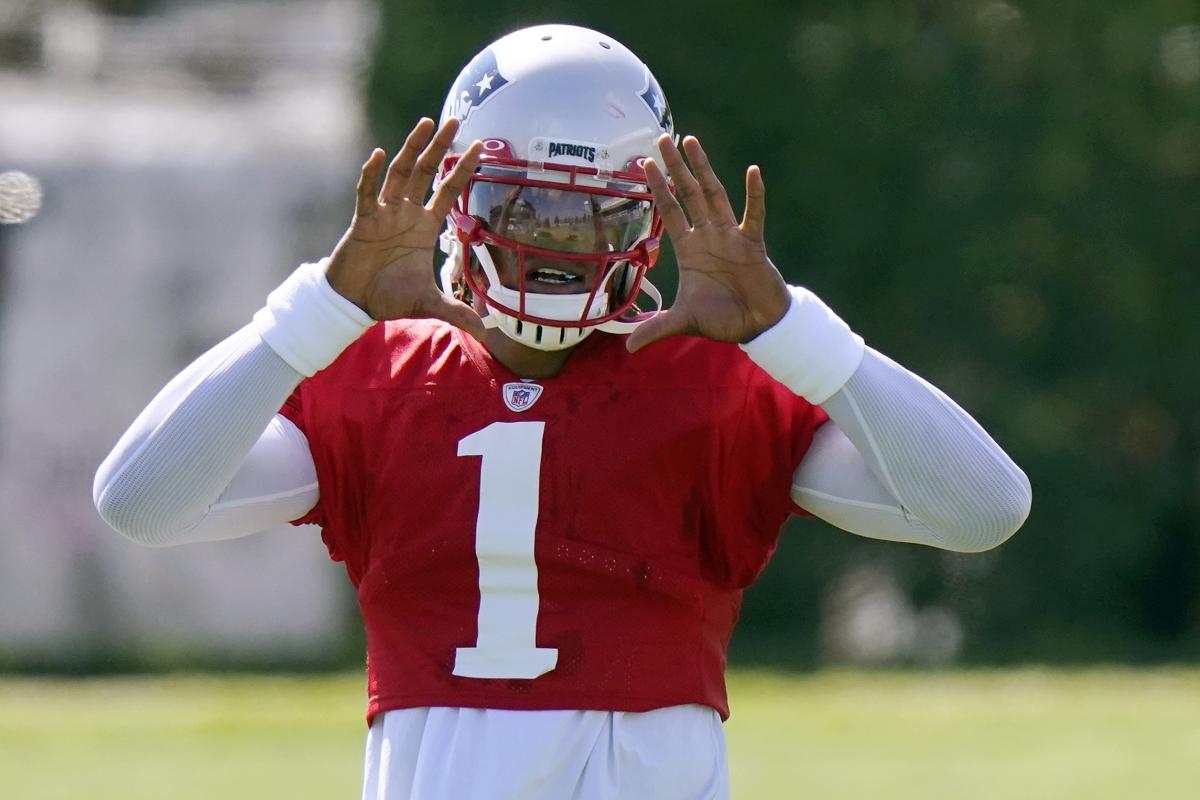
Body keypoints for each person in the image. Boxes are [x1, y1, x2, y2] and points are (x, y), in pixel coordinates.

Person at [93, 24, 1031, 800]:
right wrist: (318, 307)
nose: (560, 248)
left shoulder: (720, 386)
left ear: (651, 223)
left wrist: (794, 331)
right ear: (454, 201)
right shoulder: (373, 376)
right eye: (529, 211)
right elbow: (141, 501)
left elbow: (982, 508)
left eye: (595, 220)